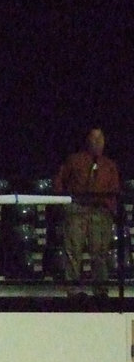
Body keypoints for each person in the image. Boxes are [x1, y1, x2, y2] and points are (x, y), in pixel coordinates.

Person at [53, 127, 120, 297]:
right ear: (87, 140)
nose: (97, 142)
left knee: (100, 253)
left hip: (100, 212)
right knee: (73, 250)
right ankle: (73, 289)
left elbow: (115, 190)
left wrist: (109, 210)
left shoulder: (109, 165)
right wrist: (65, 204)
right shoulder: (74, 160)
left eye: (100, 138)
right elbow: (60, 181)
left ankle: (100, 290)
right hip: (77, 209)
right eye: (94, 138)